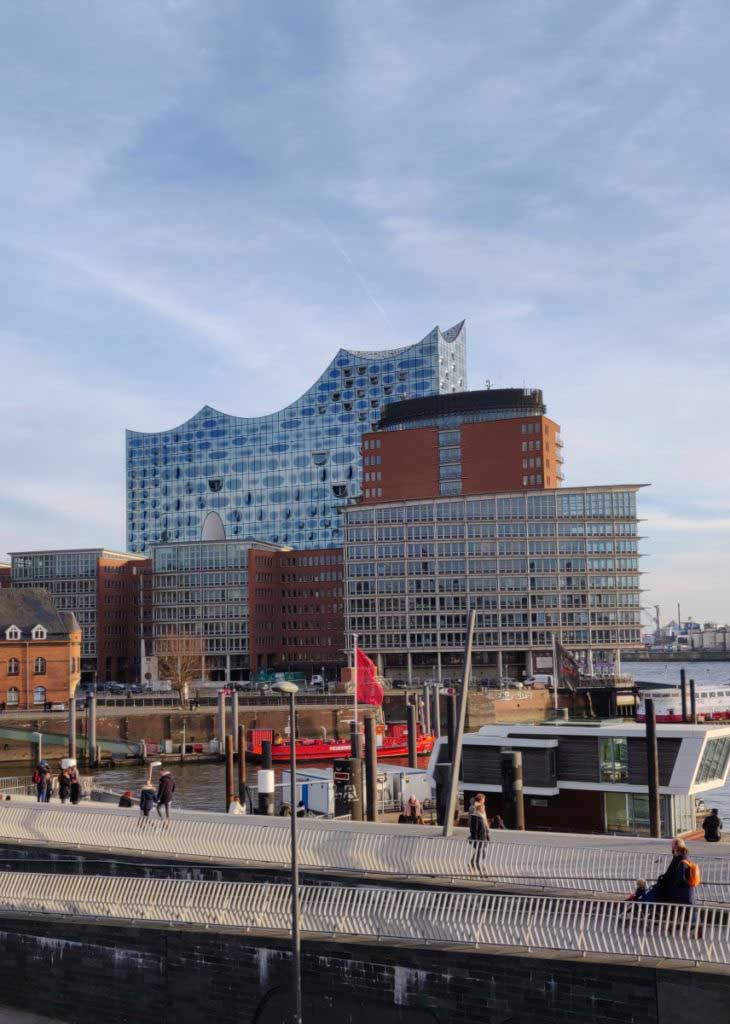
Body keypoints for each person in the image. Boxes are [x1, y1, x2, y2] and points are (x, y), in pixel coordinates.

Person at [654, 838, 700, 907]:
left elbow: (678, 878)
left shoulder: (681, 861)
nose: (671, 848)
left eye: (672, 846)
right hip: (685, 895)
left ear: (676, 847)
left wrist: (664, 881)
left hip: (680, 896)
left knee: (689, 915)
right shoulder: (681, 858)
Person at [468, 793, 490, 871]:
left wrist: (487, 830)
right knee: (481, 850)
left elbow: (484, 819)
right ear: (481, 799)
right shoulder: (474, 808)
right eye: (484, 799)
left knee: (481, 850)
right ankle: (476, 864)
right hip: (479, 832)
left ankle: (474, 863)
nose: (484, 801)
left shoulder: (481, 807)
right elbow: (474, 822)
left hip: (483, 831)